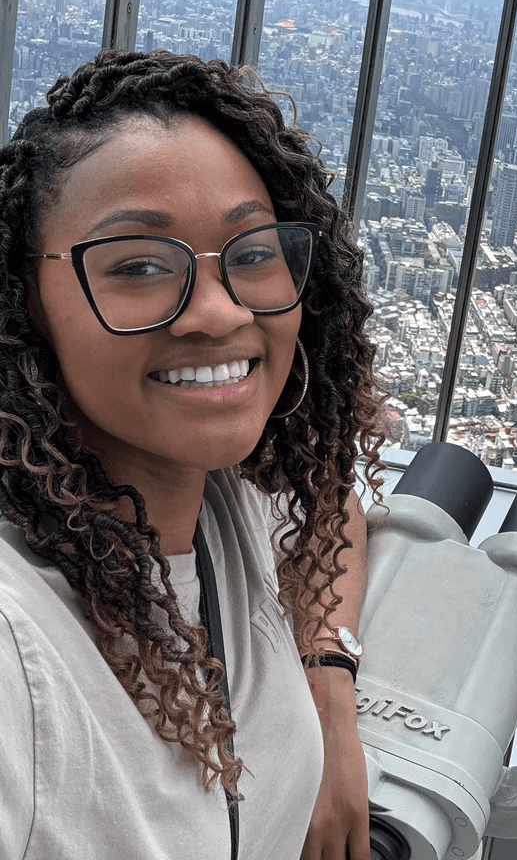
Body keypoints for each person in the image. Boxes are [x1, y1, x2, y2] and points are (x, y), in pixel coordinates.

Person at [0, 49, 382, 860]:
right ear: (24, 301)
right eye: (138, 265)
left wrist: (327, 682)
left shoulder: (223, 495)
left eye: (249, 255)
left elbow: (330, 509)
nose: (216, 311)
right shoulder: (16, 646)